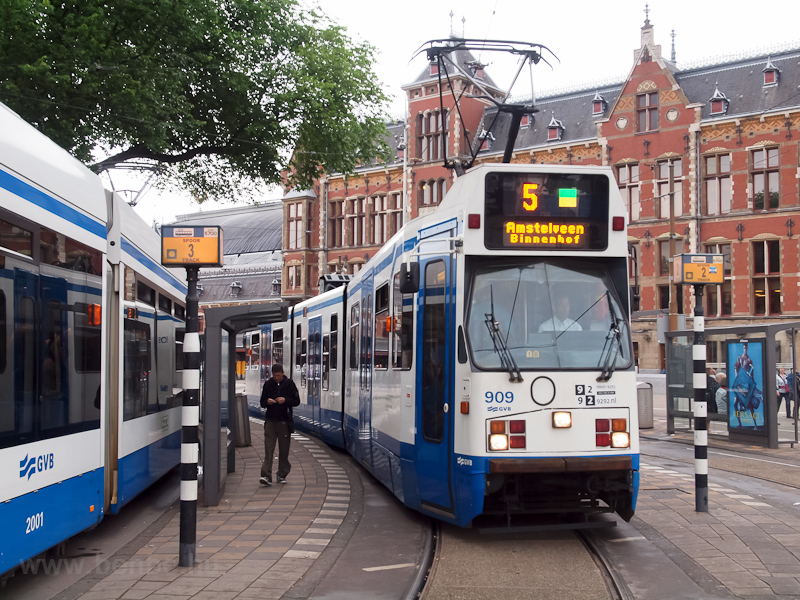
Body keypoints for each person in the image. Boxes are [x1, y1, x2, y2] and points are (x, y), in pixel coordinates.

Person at [259, 363, 299, 486]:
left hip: (284, 421)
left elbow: (296, 401)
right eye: (274, 375)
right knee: (268, 449)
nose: (276, 378)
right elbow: (262, 402)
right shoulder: (268, 384)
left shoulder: (289, 384)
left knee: (284, 449)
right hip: (271, 420)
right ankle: (266, 475)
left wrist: (285, 400)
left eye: (278, 375)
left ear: (283, 373)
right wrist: (267, 401)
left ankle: (282, 474)